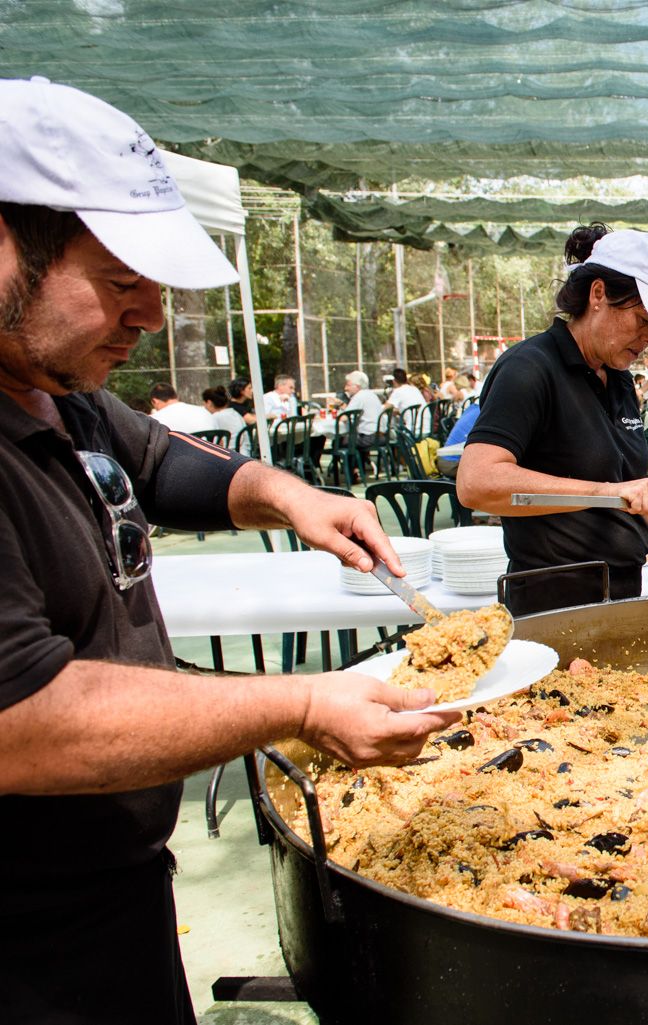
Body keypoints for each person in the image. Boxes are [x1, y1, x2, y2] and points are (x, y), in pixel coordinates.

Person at [0, 76, 458, 1025]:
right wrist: (298, 701)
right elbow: (25, 717)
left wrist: (293, 495)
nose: (151, 317)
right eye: (122, 282)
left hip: (108, 891)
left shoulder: (54, 389)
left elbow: (164, 465)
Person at [456, 224, 648, 615]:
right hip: (554, 601)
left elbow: (620, 497)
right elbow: (477, 483)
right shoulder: (530, 368)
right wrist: (607, 492)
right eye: (642, 319)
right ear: (599, 294)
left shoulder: (618, 378)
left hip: (620, 592)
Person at [147, 380, 216, 433]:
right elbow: (221, 442)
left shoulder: (154, 420)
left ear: (155, 401)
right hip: (210, 451)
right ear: (176, 396)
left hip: (183, 451)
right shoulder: (205, 412)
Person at [338, 369, 385, 447]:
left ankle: (354, 459)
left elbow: (344, 418)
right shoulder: (371, 395)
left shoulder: (359, 397)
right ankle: (362, 459)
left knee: (338, 441)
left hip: (369, 437)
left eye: (348, 385)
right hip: (380, 435)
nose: (346, 388)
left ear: (357, 386)